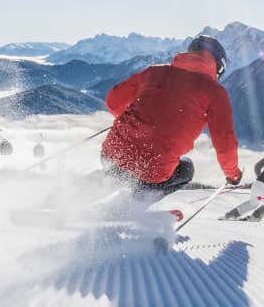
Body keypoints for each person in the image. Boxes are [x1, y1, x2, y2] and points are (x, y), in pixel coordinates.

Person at [99, 34, 243, 201]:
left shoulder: (154, 71)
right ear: (218, 66)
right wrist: (233, 174)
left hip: (110, 153)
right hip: (151, 173)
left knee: (124, 168)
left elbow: (113, 101)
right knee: (186, 168)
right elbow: (224, 141)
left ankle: (107, 182)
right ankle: (134, 206)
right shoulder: (215, 92)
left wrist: (134, 121)